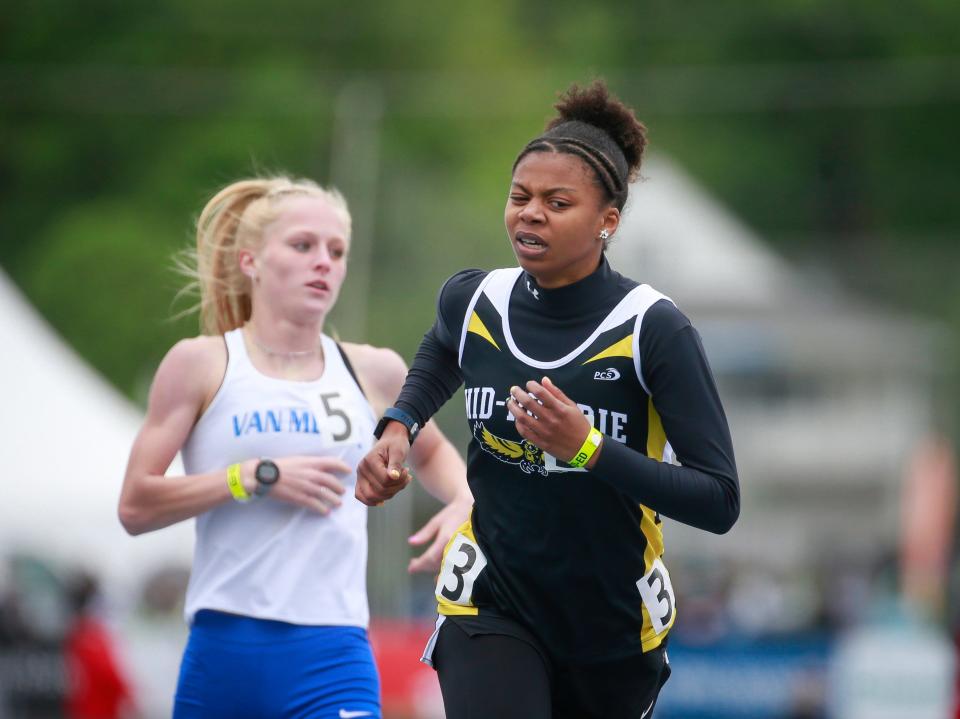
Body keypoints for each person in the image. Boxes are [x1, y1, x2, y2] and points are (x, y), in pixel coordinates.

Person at [356, 80, 740, 719]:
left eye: (557, 202)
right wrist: (399, 422)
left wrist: (587, 448)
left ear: (606, 221)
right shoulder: (477, 299)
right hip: (492, 600)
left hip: (611, 622)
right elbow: (443, 352)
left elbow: (719, 500)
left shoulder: (653, 329)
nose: (530, 213)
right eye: (520, 197)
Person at [118, 176, 471, 719]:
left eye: (336, 251)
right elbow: (136, 506)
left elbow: (436, 456)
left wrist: (463, 506)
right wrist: (253, 476)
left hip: (333, 654)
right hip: (224, 649)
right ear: (250, 261)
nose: (323, 262)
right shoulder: (201, 364)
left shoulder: (373, 370)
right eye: (303, 245)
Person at [63, 571, 137, 719]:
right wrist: (129, 696)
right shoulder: (91, 636)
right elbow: (108, 673)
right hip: (97, 710)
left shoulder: (77, 634)